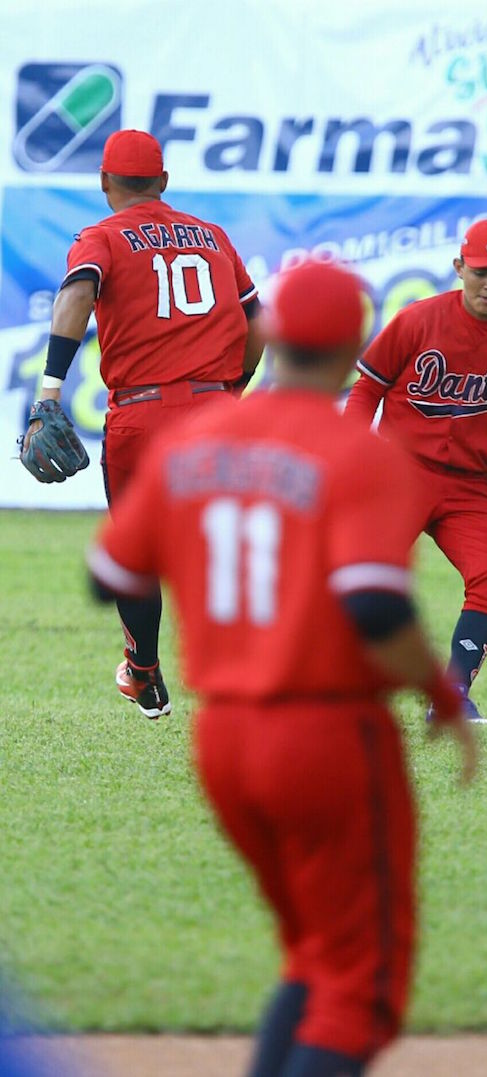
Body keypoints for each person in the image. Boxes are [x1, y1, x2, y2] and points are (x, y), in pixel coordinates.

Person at [85, 259, 476, 1077]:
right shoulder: (356, 453)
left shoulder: (195, 444)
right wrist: (440, 694)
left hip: (222, 738)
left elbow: (110, 575)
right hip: (324, 735)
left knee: (312, 956)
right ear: (353, 348)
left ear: (265, 336)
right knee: (359, 987)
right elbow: (373, 606)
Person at [22, 128, 263, 718]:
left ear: (105, 183)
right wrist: (232, 389)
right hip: (217, 411)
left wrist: (49, 389)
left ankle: (146, 674)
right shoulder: (211, 237)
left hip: (142, 415)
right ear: (164, 181)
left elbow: (78, 295)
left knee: (137, 554)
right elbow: (257, 322)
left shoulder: (101, 236)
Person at [345, 218, 487, 725]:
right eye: (482, 271)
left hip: (469, 486)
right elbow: (366, 390)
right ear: (459, 267)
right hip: (397, 476)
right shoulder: (417, 321)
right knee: (360, 576)